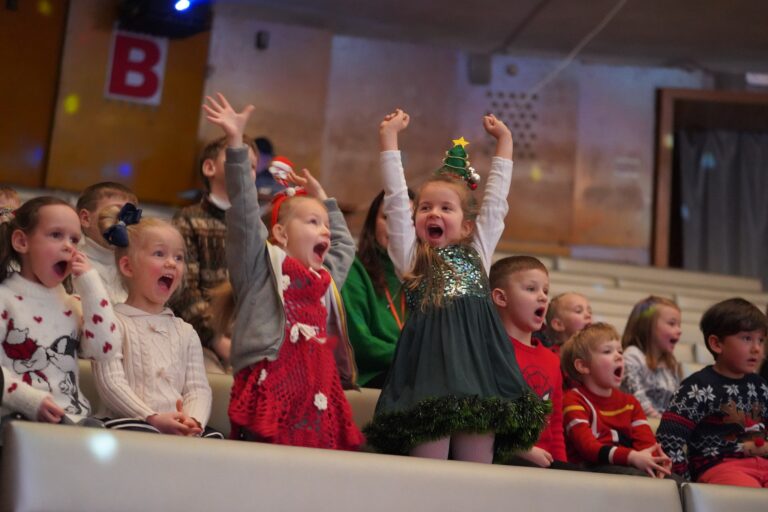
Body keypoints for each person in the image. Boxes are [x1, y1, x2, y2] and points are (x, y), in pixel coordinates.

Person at [363, 108, 548, 464]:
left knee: (476, 473)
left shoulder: (478, 250)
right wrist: (389, 139)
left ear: (466, 226)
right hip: (429, 378)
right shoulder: (411, 257)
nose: (433, 213)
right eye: (426, 208)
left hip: (478, 373)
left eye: (446, 208)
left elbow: (495, 204)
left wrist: (506, 143)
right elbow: (396, 199)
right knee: (428, 471)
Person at [203, 93, 363, 450]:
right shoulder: (260, 268)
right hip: (271, 382)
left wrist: (326, 203)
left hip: (316, 390)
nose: (325, 231)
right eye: (312, 222)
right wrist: (235, 144)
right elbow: (244, 211)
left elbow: (345, 247)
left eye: (326, 225)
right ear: (280, 233)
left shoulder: (323, 281)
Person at [92, 204, 221, 438]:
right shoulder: (111, 323)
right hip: (129, 421)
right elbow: (111, 382)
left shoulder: (186, 331)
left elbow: (197, 388)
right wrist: (151, 417)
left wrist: (192, 421)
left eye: (178, 257)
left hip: (175, 426)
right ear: (128, 267)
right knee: (138, 430)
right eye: (160, 254)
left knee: (215, 437)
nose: (172, 262)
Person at [0, 196, 119, 428]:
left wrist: (90, 283)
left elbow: (105, 349)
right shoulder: (5, 298)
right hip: (16, 417)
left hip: (72, 418)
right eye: (56, 235)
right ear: (22, 242)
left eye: (74, 240)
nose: (68, 246)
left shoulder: (72, 303)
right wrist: (30, 401)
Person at [656, 298, 768, 487]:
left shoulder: (761, 386)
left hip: (763, 464)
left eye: (761, 340)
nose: (756, 348)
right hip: (720, 467)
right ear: (717, 344)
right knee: (750, 497)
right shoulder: (698, 387)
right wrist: (684, 484)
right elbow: (669, 438)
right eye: (747, 338)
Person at [170, 136, 257, 374]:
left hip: (247, 340)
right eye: (237, 159)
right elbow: (183, 289)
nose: (246, 170)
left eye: (251, 166)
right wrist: (217, 340)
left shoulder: (255, 228)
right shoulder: (188, 219)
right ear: (209, 168)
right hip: (199, 337)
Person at [561, 323, 673, 478]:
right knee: (641, 479)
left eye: (620, 351)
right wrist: (631, 456)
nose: (619, 355)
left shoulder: (630, 403)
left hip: (627, 466)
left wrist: (656, 461)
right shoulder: (573, 400)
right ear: (583, 366)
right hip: (590, 470)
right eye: (607, 351)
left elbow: (646, 442)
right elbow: (588, 447)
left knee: (673, 481)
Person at [490, 255, 569, 468]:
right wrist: (519, 448)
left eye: (545, 290)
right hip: (504, 457)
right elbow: (483, 416)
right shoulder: (489, 350)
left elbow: (556, 426)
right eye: (531, 289)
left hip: (545, 462)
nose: (543, 297)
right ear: (501, 298)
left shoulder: (552, 360)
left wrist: (562, 468)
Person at [340, 189, 414, 388]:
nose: (396, 228)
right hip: (372, 375)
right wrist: (416, 357)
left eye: (407, 221)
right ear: (373, 223)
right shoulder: (355, 268)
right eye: (387, 218)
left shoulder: (423, 276)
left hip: (414, 371)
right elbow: (359, 342)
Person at [76, 182, 138, 304]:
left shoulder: (136, 268)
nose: (124, 222)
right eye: (115, 212)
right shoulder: (71, 265)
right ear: (85, 219)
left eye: (130, 216)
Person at [621, 296, 682, 418]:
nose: (679, 330)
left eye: (679, 325)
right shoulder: (633, 356)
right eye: (672, 323)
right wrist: (666, 426)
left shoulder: (671, 364)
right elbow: (638, 400)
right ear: (647, 326)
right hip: (644, 428)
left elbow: (678, 404)